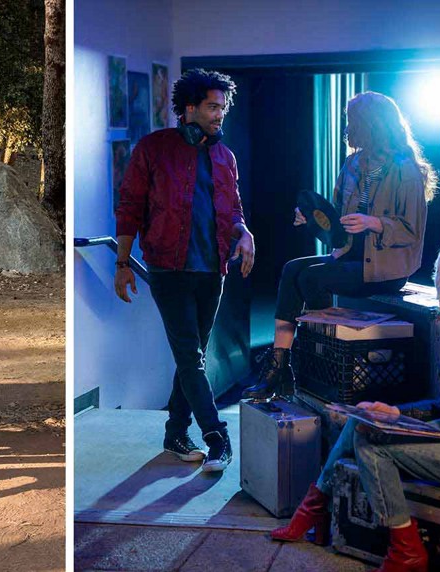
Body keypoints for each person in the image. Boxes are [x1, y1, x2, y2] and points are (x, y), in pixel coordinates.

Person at [270, 239, 440, 572]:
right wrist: (397, 414)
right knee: (362, 420)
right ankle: (313, 509)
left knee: (370, 447)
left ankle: (406, 550)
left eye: (439, 269)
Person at [245, 91, 435, 399]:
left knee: (312, 277)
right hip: (350, 255)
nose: (348, 127)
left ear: (372, 123)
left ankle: (322, 355)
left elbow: (412, 230)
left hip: (387, 266)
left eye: (352, 120)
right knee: (293, 269)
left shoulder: (405, 169)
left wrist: (373, 223)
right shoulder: (352, 164)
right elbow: (333, 219)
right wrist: (308, 217)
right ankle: (279, 365)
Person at [115, 68, 255, 472]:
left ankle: (175, 431)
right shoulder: (153, 149)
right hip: (168, 269)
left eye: (222, 108)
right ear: (189, 108)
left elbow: (234, 211)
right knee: (192, 358)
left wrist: (244, 234)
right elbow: (129, 209)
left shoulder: (224, 156)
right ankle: (218, 438)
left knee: (190, 356)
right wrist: (123, 263)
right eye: (213, 107)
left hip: (213, 270)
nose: (219, 115)